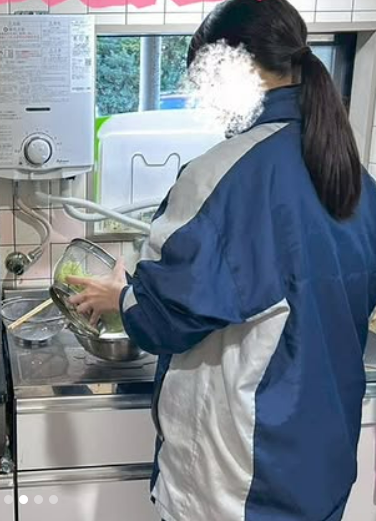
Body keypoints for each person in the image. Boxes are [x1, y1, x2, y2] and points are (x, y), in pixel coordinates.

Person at [69, 0, 376, 519]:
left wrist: (123, 297)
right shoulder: (353, 178)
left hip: (241, 479)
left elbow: (164, 319)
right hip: (322, 468)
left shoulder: (220, 177)